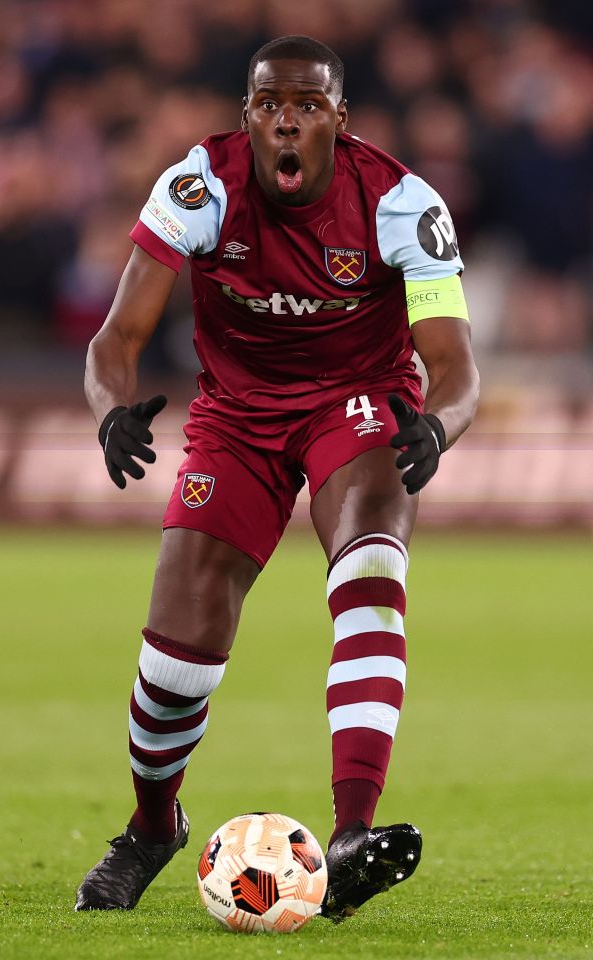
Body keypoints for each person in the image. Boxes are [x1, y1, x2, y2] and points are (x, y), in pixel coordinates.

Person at [76, 35, 479, 921]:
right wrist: (111, 406)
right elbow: (117, 338)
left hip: (360, 405)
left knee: (372, 569)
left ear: (341, 119)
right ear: (247, 117)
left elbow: (457, 366)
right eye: (269, 105)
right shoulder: (200, 185)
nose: (286, 120)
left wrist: (438, 427)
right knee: (174, 660)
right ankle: (152, 828)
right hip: (238, 415)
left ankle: (350, 834)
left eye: (306, 104)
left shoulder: (401, 202)